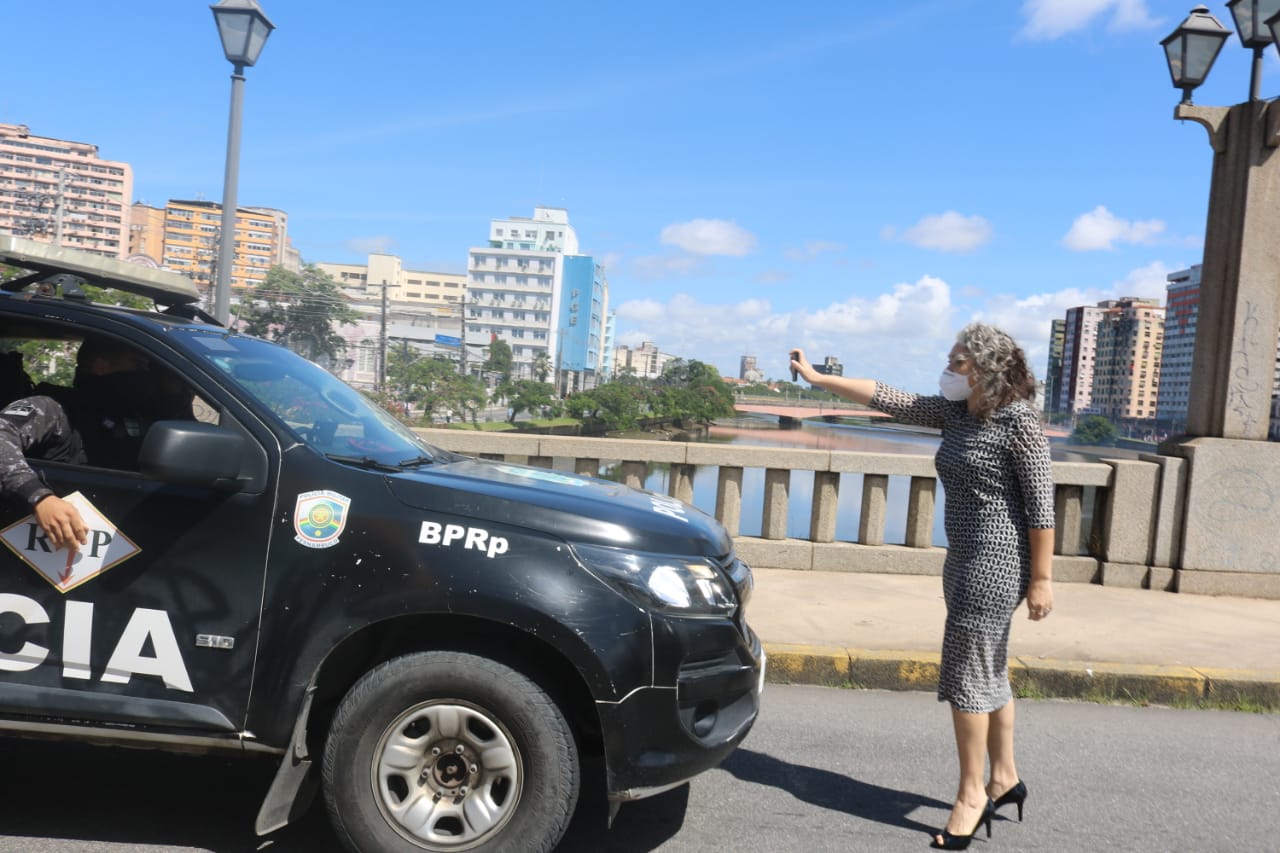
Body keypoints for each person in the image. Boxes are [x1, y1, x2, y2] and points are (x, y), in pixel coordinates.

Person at [790, 323, 1055, 851]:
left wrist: (1043, 580)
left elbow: (1041, 506)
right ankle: (1004, 778)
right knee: (989, 669)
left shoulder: (1018, 421)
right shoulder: (954, 413)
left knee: (966, 677)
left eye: (957, 361)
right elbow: (889, 396)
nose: (948, 367)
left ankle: (971, 795)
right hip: (962, 558)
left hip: (997, 561)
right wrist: (818, 379)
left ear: (983, 370)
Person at [0, 336, 193, 551]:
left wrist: (175, 391)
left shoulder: (140, 416)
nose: (146, 376)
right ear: (101, 366)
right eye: (138, 365)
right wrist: (39, 498)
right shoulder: (54, 409)